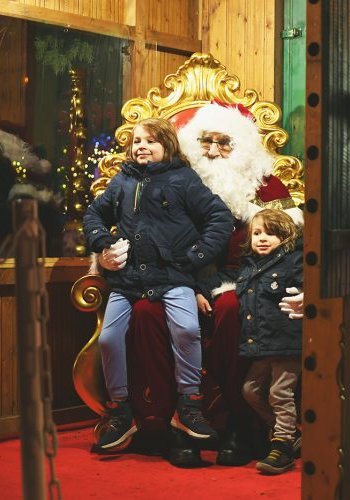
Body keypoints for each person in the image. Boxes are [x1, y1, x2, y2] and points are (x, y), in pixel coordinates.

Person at [98, 102, 305, 466]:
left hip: (250, 283)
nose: (212, 150)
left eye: (223, 142)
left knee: (229, 310)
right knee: (146, 311)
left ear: (240, 146)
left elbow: (292, 245)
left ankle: (237, 422)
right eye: (204, 141)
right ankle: (163, 422)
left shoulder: (267, 186)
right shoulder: (176, 178)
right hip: (178, 279)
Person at [83, 117, 233, 451]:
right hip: (129, 280)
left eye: (150, 141)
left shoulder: (183, 178)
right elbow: (93, 214)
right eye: (137, 141)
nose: (142, 147)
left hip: (174, 275)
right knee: (108, 339)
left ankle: (189, 404)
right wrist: (102, 242)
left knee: (186, 330)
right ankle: (121, 411)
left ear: (166, 145)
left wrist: (193, 256)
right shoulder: (122, 180)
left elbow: (219, 217)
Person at [197, 209, 303, 474]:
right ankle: (289, 432)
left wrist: (307, 294)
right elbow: (219, 279)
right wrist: (199, 291)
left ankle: (282, 445)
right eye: (257, 233)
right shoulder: (248, 266)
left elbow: (309, 279)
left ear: (286, 236)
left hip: (287, 343)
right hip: (262, 345)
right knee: (250, 390)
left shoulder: (292, 261)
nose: (262, 238)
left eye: (271, 233)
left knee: (280, 393)